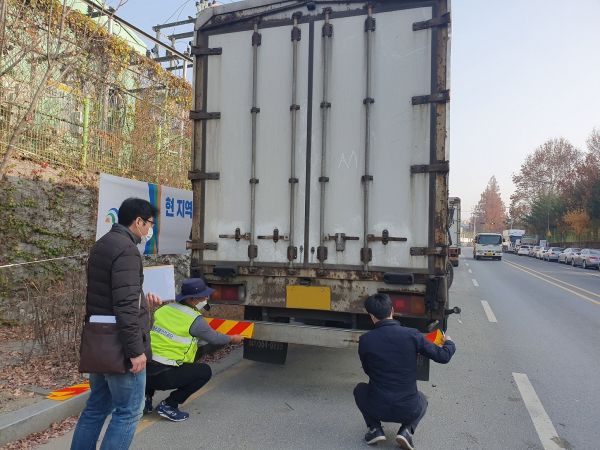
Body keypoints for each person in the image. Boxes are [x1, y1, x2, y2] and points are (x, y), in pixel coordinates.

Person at [71, 197, 161, 450]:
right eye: (150, 223)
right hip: (120, 345)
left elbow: (108, 297)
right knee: (129, 411)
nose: (150, 229)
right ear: (138, 221)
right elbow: (124, 305)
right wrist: (136, 351)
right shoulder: (127, 250)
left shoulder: (102, 245)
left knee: (96, 408)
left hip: (99, 341)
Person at [354, 293, 456, 449]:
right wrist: (449, 343)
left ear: (371, 316)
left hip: (377, 407)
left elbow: (368, 370)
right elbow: (443, 356)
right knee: (422, 399)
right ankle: (407, 430)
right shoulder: (412, 335)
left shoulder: (365, 340)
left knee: (359, 390)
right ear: (392, 310)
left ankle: (375, 429)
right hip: (408, 409)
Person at [144, 278, 244, 422]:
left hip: (144, 371)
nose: (206, 298)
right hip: (164, 376)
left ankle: (144, 401)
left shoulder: (164, 309)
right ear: (191, 299)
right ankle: (169, 405)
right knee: (204, 372)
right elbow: (215, 338)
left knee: (156, 357)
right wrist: (233, 338)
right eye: (202, 296)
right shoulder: (194, 319)